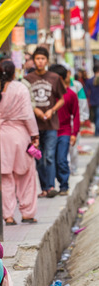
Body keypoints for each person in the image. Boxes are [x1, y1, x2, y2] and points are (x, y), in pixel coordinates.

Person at [0, 60, 39, 225]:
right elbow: (28, 115)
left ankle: (8, 216)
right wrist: (35, 135)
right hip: (21, 135)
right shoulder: (21, 88)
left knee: (5, 178)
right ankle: (27, 213)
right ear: (14, 73)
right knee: (26, 176)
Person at [25, 46, 66, 198]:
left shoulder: (55, 78)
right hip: (34, 126)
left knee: (49, 155)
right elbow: (26, 100)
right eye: (37, 59)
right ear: (34, 61)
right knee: (38, 157)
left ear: (47, 60)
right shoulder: (28, 79)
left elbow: (62, 99)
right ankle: (43, 188)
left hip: (51, 124)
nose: (40, 62)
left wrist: (52, 110)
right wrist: (35, 110)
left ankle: (50, 187)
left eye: (43, 59)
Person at [49, 64, 80, 196]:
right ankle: (52, 185)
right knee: (52, 159)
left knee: (61, 159)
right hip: (50, 131)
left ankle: (64, 185)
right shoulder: (48, 95)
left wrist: (74, 133)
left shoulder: (71, 94)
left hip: (65, 131)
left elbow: (76, 114)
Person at [85, 64, 99, 136]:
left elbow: (86, 92)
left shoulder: (89, 81)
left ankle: (97, 132)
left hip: (93, 101)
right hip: (96, 101)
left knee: (96, 116)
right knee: (98, 116)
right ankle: (97, 132)